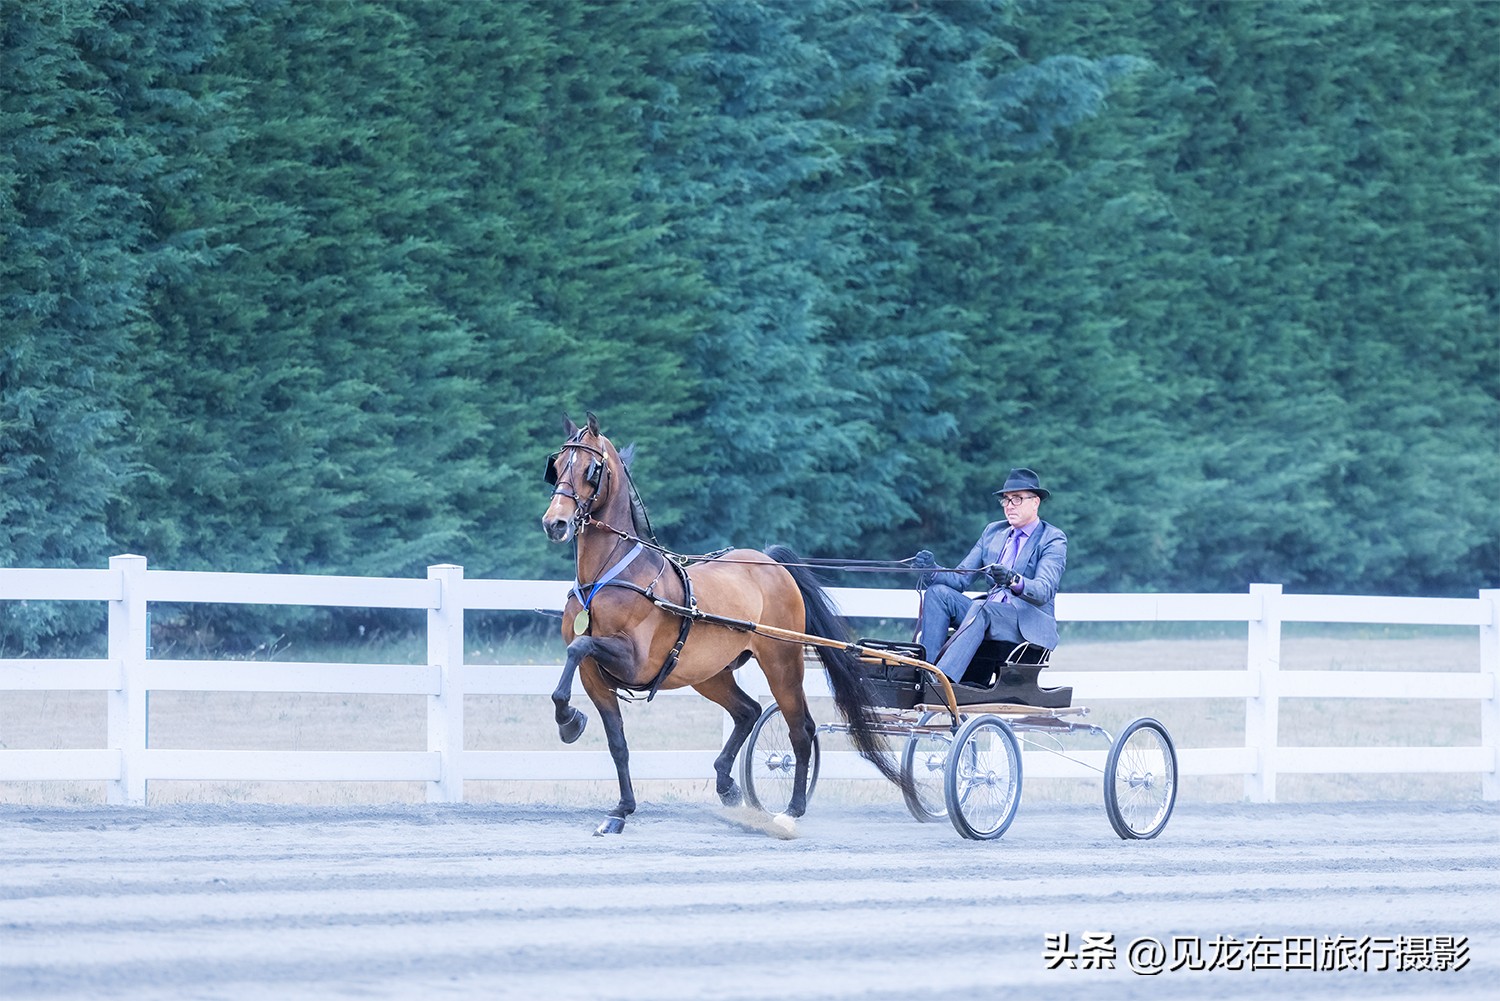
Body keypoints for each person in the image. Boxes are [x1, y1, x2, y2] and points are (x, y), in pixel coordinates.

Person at [912, 468, 1067, 683]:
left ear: (1035, 502)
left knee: (981, 608)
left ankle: (943, 680)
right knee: (938, 593)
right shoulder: (993, 532)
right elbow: (961, 578)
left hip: (1025, 622)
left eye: (1017, 499)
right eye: (1006, 500)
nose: (1009, 506)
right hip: (987, 614)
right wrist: (931, 569)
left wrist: (1013, 580)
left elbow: (1044, 590)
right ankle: (925, 672)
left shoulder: (1052, 538)